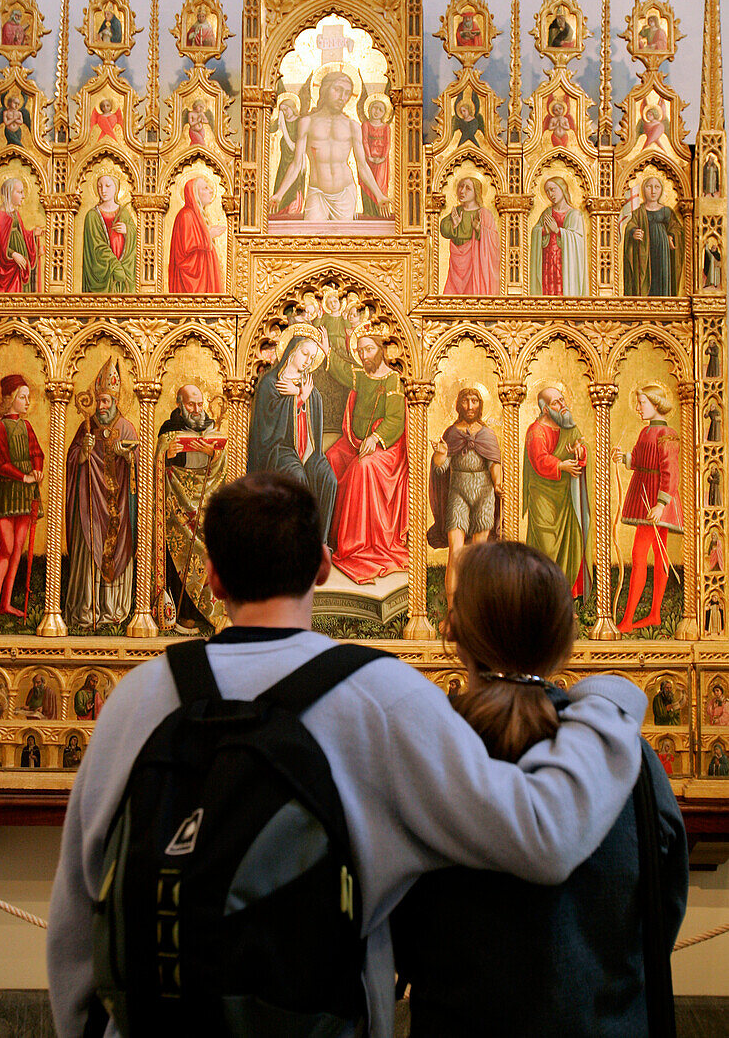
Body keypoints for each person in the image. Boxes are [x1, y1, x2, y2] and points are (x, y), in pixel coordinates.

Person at [48, 471, 648, 1038]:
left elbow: (79, 907)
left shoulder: (138, 697)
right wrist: (606, 703)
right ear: (324, 565)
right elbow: (542, 833)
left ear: (212, 578)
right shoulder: (381, 695)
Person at [392, 540, 687, 1038]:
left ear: (453, 630)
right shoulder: (626, 755)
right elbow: (662, 904)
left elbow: (394, 915)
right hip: (606, 1021)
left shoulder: (427, 750)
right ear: (565, 637)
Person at [321, 322, 408, 582]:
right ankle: (330, 536)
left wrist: (377, 437)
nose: (364, 355)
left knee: (363, 468)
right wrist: (327, 351)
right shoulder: (361, 374)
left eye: (369, 349)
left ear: (380, 349)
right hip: (355, 442)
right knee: (330, 459)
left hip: (386, 449)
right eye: (360, 351)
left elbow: (395, 419)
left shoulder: (393, 379)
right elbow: (341, 371)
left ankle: (357, 543)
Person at [65, 358, 138, 629]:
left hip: (118, 507)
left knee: (117, 550)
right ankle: (87, 610)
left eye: (107, 401)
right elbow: (72, 460)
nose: (102, 407)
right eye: (100, 402)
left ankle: (113, 610)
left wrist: (127, 456)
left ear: (117, 401)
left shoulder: (127, 427)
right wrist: (83, 451)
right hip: (90, 506)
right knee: (88, 548)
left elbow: (140, 465)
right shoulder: (87, 427)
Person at [248, 327, 337, 544]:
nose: (308, 360)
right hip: (279, 449)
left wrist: (303, 396)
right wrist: (297, 399)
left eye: (312, 357)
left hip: (308, 451)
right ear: (292, 351)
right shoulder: (270, 382)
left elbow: (314, 408)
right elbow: (267, 423)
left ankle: (320, 544)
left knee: (329, 479)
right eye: (305, 353)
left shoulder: (307, 384)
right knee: (298, 478)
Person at [270, 71, 391, 222]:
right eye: (338, 89)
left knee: (346, 242)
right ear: (325, 89)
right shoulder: (307, 123)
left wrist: (379, 195)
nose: (342, 97)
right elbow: (297, 163)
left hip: (345, 194)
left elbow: (362, 166)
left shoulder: (352, 126)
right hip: (317, 193)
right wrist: (279, 194)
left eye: (347, 93)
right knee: (310, 241)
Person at [155, 383, 226, 633]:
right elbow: (156, 466)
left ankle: (208, 615)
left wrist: (214, 456)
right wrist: (166, 454)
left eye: (199, 404)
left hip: (206, 502)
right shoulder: (169, 430)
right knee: (178, 559)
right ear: (179, 405)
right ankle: (183, 614)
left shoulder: (211, 429)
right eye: (190, 404)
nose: (196, 410)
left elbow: (223, 468)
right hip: (177, 506)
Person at [613, 383, 683, 633]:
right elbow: (640, 459)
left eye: (642, 403)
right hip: (644, 493)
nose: (638, 408)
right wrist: (624, 458)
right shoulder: (645, 433)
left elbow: (671, 472)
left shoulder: (668, 434)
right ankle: (653, 615)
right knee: (657, 554)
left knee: (640, 554)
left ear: (655, 404)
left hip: (656, 500)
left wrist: (661, 504)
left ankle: (628, 620)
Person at [428, 387, 502, 614]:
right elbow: (441, 469)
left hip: (484, 494)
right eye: (466, 401)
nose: (470, 406)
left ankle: (476, 611)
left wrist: (498, 482)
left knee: (479, 553)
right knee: (456, 552)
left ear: (480, 405)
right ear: (459, 405)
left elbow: (494, 462)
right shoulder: (451, 433)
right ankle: (452, 613)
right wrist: (440, 454)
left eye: (474, 401)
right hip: (457, 493)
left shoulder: (488, 435)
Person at [522, 386, 591, 598]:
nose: (562, 406)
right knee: (547, 545)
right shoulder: (536, 431)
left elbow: (581, 447)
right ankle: (542, 596)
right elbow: (539, 460)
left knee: (568, 546)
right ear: (545, 409)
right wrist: (561, 466)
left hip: (565, 495)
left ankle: (563, 597)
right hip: (543, 495)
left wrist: (580, 452)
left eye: (562, 400)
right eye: (556, 403)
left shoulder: (569, 428)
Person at [0, 375, 43, 628]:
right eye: (22, 397)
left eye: (28, 397)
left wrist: (37, 470)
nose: (27, 402)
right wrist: (23, 476)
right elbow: (1, 462)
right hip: (5, 492)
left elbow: (37, 452)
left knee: (18, 550)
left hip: (25, 494)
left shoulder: (27, 427)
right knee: (5, 547)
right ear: (10, 399)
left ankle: (6, 603)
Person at [623, 176, 683, 297]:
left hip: (662, 251)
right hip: (645, 251)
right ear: (643, 190)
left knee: (661, 276)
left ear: (661, 190)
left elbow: (677, 228)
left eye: (657, 187)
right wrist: (633, 232)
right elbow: (630, 225)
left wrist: (671, 236)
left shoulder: (666, 211)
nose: (653, 191)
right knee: (645, 277)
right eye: (649, 187)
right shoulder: (639, 211)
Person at [440, 177, 499, 295]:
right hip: (457, 266)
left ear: (476, 191)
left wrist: (480, 230)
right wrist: (455, 225)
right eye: (461, 187)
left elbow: (495, 242)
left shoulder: (484, 214)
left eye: (468, 188)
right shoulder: (456, 212)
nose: (462, 191)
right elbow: (443, 229)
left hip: (475, 264)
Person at [529, 177, 587, 296]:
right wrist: (544, 231)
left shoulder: (575, 214)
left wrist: (558, 231)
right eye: (547, 192)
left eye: (552, 189)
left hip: (565, 263)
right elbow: (535, 231)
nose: (550, 194)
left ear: (562, 188)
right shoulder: (547, 213)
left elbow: (578, 241)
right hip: (547, 261)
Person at [168, 176, 225, 294]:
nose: (211, 191)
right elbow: (186, 249)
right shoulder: (186, 215)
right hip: (192, 282)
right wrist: (209, 235)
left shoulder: (199, 215)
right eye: (205, 188)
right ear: (194, 194)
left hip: (205, 277)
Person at [81, 173, 137, 293]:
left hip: (124, 273)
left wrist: (127, 230)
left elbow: (138, 238)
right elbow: (97, 247)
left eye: (108, 186)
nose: (103, 190)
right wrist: (115, 266)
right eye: (100, 186)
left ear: (116, 188)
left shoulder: (124, 213)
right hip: (103, 275)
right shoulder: (92, 216)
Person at [0, 177, 43, 293]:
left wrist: (33, 234)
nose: (23, 196)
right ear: (9, 193)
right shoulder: (0, 216)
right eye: (20, 192)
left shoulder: (15, 214)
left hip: (20, 263)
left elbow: (22, 234)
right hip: (11, 264)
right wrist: (13, 254)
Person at [270, 98, 304, 214]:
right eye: (282, 110)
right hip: (283, 162)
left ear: (293, 108)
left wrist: (283, 124)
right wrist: (278, 118)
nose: (285, 112)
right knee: (280, 182)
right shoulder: (281, 121)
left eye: (286, 109)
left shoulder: (301, 122)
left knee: (293, 188)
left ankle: (293, 210)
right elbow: (269, 129)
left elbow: (296, 147)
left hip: (296, 160)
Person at [360, 99, 391, 217]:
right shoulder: (366, 125)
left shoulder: (386, 127)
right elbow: (364, 140)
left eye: (380, 110)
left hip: (382, 161)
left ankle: (381, 213)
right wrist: (369, 156)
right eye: (374, 108)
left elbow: (387, 143)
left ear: (384, 113)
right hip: (368, 160)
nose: (376, 112)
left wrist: (383, 157)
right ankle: (369, 211)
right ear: (369, 109)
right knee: (367, 182)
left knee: (380, 183)